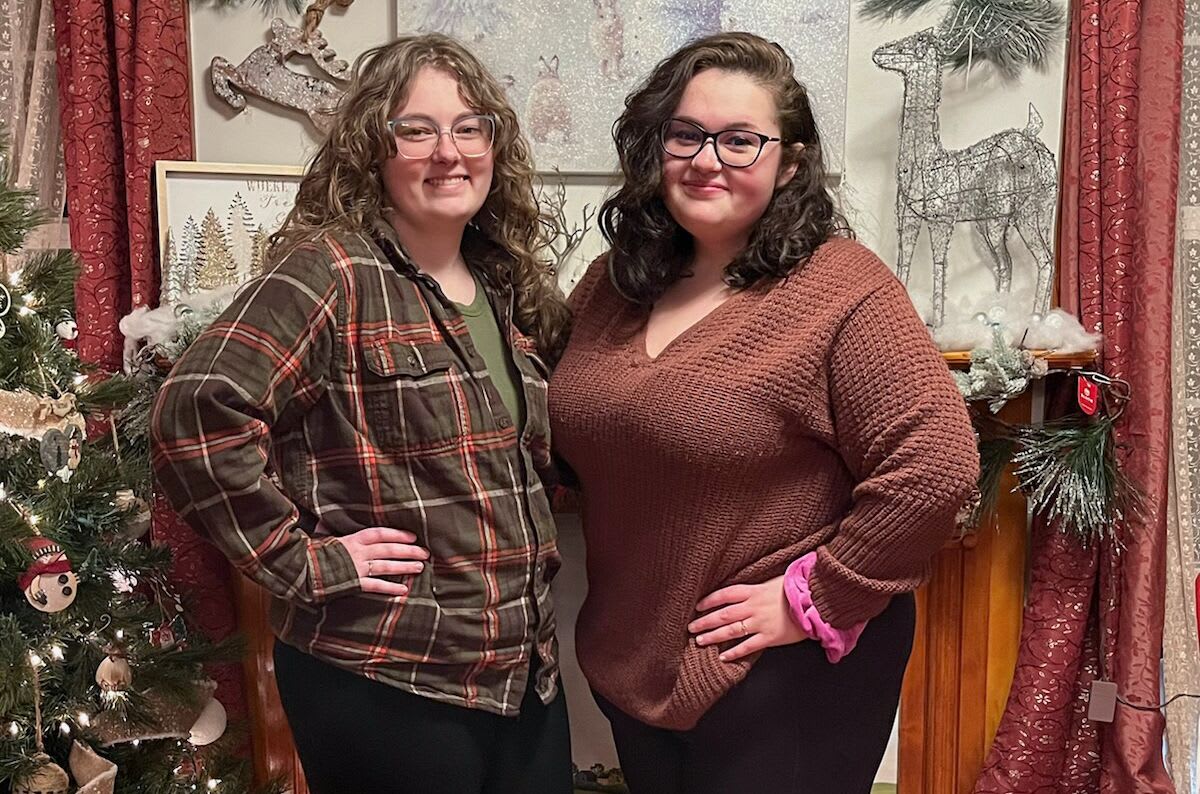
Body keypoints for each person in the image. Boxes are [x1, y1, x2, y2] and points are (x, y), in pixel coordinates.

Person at [548, 32, 979, 793]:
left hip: (784, 672)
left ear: (792, 161)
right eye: (686, 134)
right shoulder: (614, 284)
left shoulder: (842, 286)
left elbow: (936, 465)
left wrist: (816, 596)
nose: (707, 159)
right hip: (630, 654)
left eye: (740, 140)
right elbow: (561, 428)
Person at [151, 33, 572, 794]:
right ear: (372, 149)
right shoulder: (333, 270)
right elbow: (195, 413)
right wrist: (304, 560)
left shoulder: (505, 287)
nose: (448, 151)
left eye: (469, 127)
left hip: (520, 675)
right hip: (387, 677)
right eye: (416, 130)